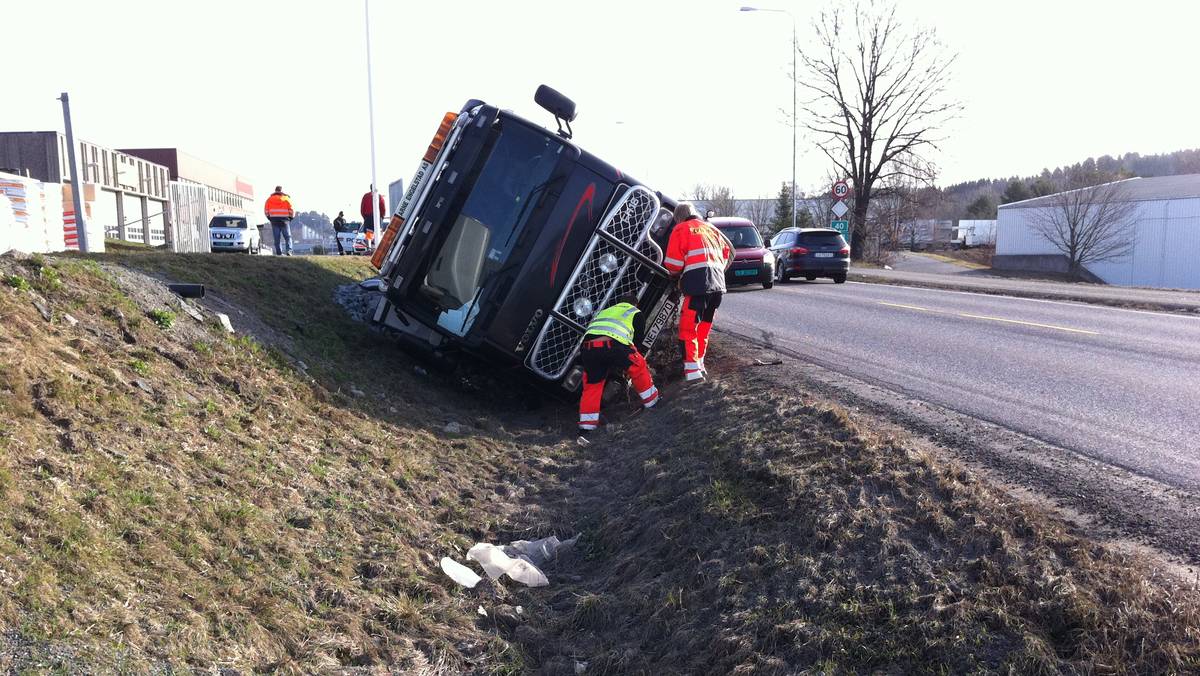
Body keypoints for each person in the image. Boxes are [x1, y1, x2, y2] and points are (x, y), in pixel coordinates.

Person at [662, 202, 732, 382]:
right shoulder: (711, 229)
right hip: (717, 285)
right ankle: (700, 364)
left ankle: (692, 372)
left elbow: (673, 265)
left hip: (697, 284)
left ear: (678, 218)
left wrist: (676, 275)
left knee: (688, 327)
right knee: (704, 326)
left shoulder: (680, 229)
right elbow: (726, 253)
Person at [576, 295, 660, 443]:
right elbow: (636, 341)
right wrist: (627, 363)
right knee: (638, 366)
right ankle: (653, 402)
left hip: (588, 350)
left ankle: (586, 428)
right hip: (613, 346)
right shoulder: (635, 312)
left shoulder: (605, 311)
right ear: (635, 304)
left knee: (592, 386)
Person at [264, 186, 295, 256]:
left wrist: (270, 218)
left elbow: (266, 210)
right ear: (282, 191)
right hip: (284, 220)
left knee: (277, 238)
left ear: (275, 191)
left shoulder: (269, 199)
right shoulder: (286, 198)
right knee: (288, 237)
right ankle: (289, 251)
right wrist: (290, 218)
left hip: (274, 220)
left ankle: (279, 252)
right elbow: (291, 209)